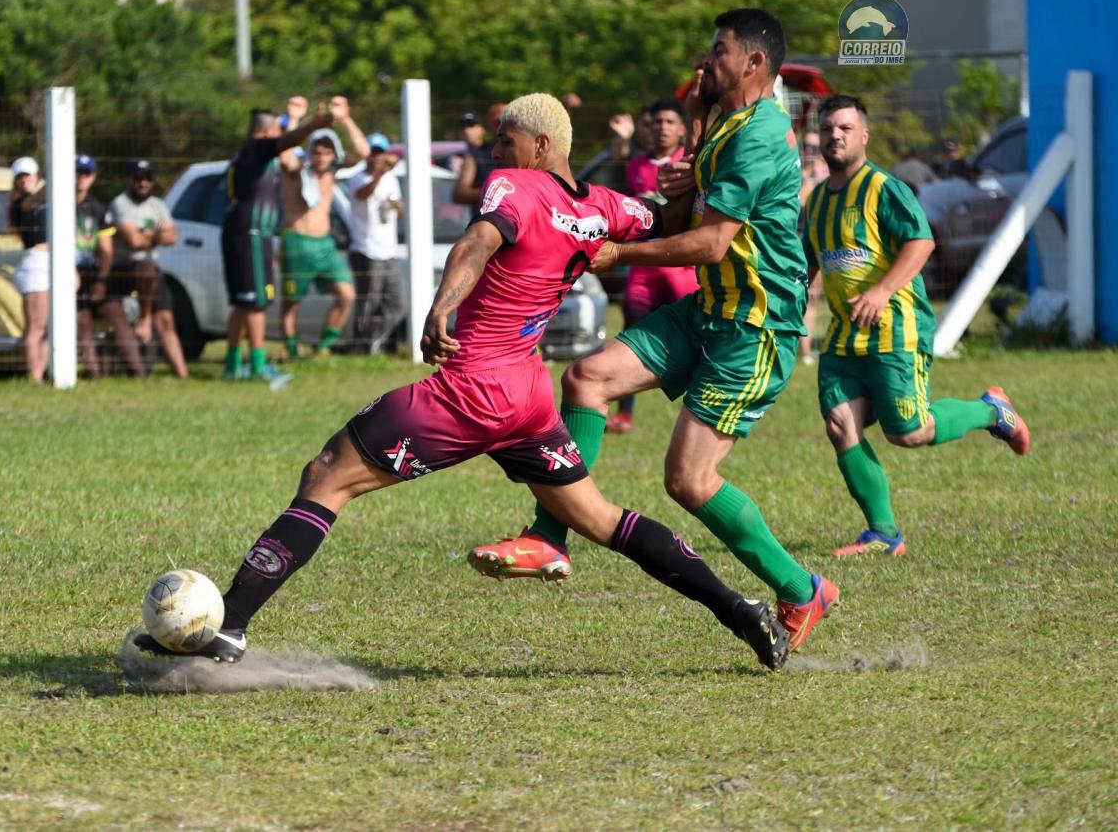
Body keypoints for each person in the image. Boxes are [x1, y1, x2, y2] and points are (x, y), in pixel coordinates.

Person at [133, 93, 790, 671]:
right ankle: (737, 608)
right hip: (527, 398)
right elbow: (669, 220)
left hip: (470, 389)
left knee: (328, 474)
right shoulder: (604, 208)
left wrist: (443, 304)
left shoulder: (516, 185)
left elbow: (476, 241)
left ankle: (233, 624)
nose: (497, 148)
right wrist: (689, 182)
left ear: (541, 144)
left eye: (506, 137)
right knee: (598, 516)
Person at [472, 9, 839, 652]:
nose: (706, 58)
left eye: (719, 49)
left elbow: (710, 242)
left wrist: (617, 253)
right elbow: (689, 205)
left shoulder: (758, 135)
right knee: (586, 378)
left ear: (754, 62)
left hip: (754, 325)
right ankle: (547, 538)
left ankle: (802, 588)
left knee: (689, 481)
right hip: (709, 312)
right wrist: (691, 151)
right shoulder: (728, 119)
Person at [804, 94, 1030, 558]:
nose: (836, 136)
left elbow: (921, 243)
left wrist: (883, 290)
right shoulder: (818, 203)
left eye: (846, 128)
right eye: (828, 128)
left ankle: (992, 412)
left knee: (907, 432)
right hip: (846, 336)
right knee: (839, 422)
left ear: (864, 135)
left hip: (896, 329)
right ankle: (883, 532)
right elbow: (809, 262)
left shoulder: (883, 188)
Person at [606, 98, 700, 434]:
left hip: (681, 268)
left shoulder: (693, 163)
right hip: (644, 269)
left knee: (696, 338)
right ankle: (624, 412)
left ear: (683, 129)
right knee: (630, 337)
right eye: (657, 121)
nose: (662, 127)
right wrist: (620, 144)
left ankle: (701, 411)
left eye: (670, 121)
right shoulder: (635, 166)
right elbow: (614, 193)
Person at [221, 99, 326, 386]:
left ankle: (232, 364)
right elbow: (289, 140)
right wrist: (315, 124)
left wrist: (293, 117)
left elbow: (284, 145)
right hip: (251, 234)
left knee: (244, 303)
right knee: (256, 303)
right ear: (268, 133)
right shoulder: (258, 148)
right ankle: (257, 365)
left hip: (241, 232)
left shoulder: (245, 152)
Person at [277, 96, 371, 360]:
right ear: (310, 152)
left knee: (346, 294)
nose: (321, 157)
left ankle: (323, 348)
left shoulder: (330, 172)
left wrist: (345, 118)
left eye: (326, 152)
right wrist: (294, 117)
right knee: (291, 302)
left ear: (333, 154)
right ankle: (293, 351)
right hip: (297, 239)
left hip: (324, 244)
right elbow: (284, 153)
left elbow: (363, 152)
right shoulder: (296, 169)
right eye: (317, 151)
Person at [109, 159, 187, 379]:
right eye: (138, 178)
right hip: (125, 270)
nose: (143, 183)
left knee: (166, 320)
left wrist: (145, 235)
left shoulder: (157, 205)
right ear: (127, 179)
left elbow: (173, 236)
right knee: (145, 267)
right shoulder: (120, 203)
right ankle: (145, 319)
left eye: (148, 179)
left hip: (151, 269)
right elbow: (132, 242)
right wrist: (156, 235)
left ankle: (183, 376)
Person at [72, 154, 144, 379]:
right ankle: (94, 375)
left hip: (92, 275)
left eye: (86, 173)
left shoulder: (97, 209)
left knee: (117, 314)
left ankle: (139, 374)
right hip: (67, 276)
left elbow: (106, 251)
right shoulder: (56, 206)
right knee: (81, 320)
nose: (80, 178)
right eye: (77, 172)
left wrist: (102, 282)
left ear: (93, 177)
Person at [347, 132, 406, 354]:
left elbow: (399, 209)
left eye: (381, 152)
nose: (377, 156)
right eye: (373, 152)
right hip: (365, 250)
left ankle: (373, 341)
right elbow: (362, 194)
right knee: (367, 304)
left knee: (397, 304)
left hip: (388, 251)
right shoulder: (357, 177)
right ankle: (359, 348)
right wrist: (379, 174)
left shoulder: (391, 178)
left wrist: (397, 204)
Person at [8, 156, 51, 383]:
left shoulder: (42, 198)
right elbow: (36, 199)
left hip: (47, 263)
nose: (25, 180)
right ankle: (34, 377)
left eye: (28, 175)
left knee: (47, 327)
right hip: (36, 265)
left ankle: (40, 374)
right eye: (20, 177)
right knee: (37, 327)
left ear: (37, 175)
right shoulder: (23, 204)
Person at [797, 130, 830, 366]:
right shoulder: (795, 171)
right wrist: (806, 176)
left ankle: (806, 350)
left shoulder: (828, 175)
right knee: (799, 297)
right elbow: (800, 202)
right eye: (807, 146)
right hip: (795, 241)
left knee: (812, 297)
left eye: (815, 147)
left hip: (819, 241)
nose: (811, 151)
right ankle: (800, 348)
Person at [451, 104, 504, 215]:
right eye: (498, 123)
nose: (502, 127)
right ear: (490, 125)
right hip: (486, 223)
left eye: (507, 123)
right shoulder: (475, 155)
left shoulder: (526, 152)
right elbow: (459, 194)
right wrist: (497, 192)